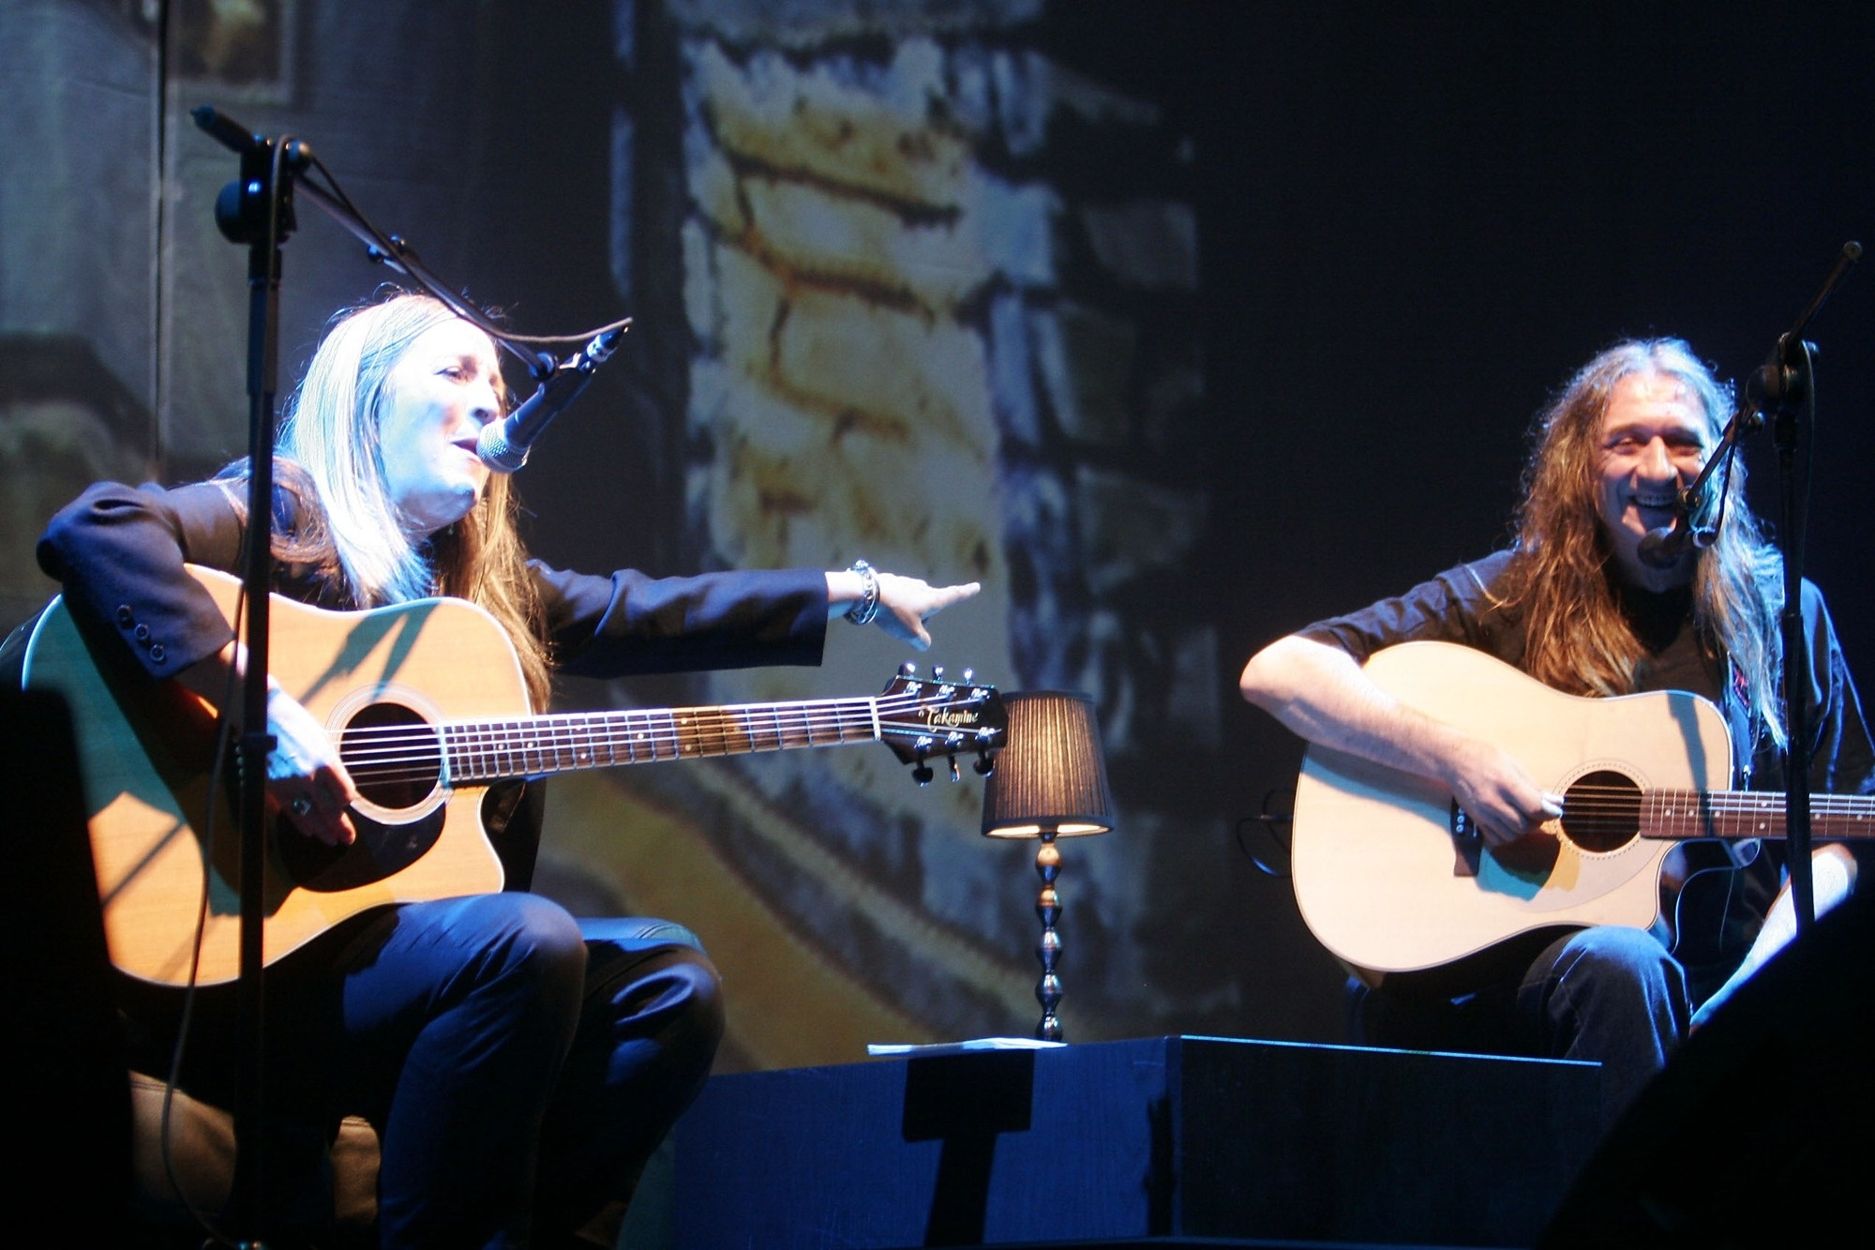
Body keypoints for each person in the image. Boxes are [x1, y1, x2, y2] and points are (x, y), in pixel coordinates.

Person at [32, 290, 980, 1248]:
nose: (492, 400)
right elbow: (94, 529)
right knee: (526, 938)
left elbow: (651, 612)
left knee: (671, 986)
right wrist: (259, 706)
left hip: (384, 977)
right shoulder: (281, 516)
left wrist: (856, 592)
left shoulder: (484, 598)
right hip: (232, 965)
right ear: (365, 402)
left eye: (496, 380)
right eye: (454, 372)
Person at [1239, 337, 1872, 1127]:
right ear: (1581, 465)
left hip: (1722, 977)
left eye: (1683, 442)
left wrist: (1748, 992)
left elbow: (1833, 837)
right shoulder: (1517, 592)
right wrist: (1458, 758)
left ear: (1721, 459)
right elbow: (1279, 672)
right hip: (1527, 969)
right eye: (1625, 442)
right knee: (1622, 961)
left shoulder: (1781, 614)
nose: (1657, 468)